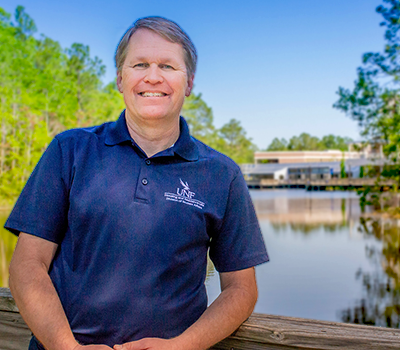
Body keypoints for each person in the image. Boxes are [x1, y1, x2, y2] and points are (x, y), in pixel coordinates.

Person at [5, 16, 269, 350]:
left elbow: (241, 289)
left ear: (188, 83)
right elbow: (27, 266)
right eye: (140, 64)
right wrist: (65, 347)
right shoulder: (69, 150)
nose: (153, 76)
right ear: (120, 78)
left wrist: (183, 346)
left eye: (168, 66)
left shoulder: (222, 173)